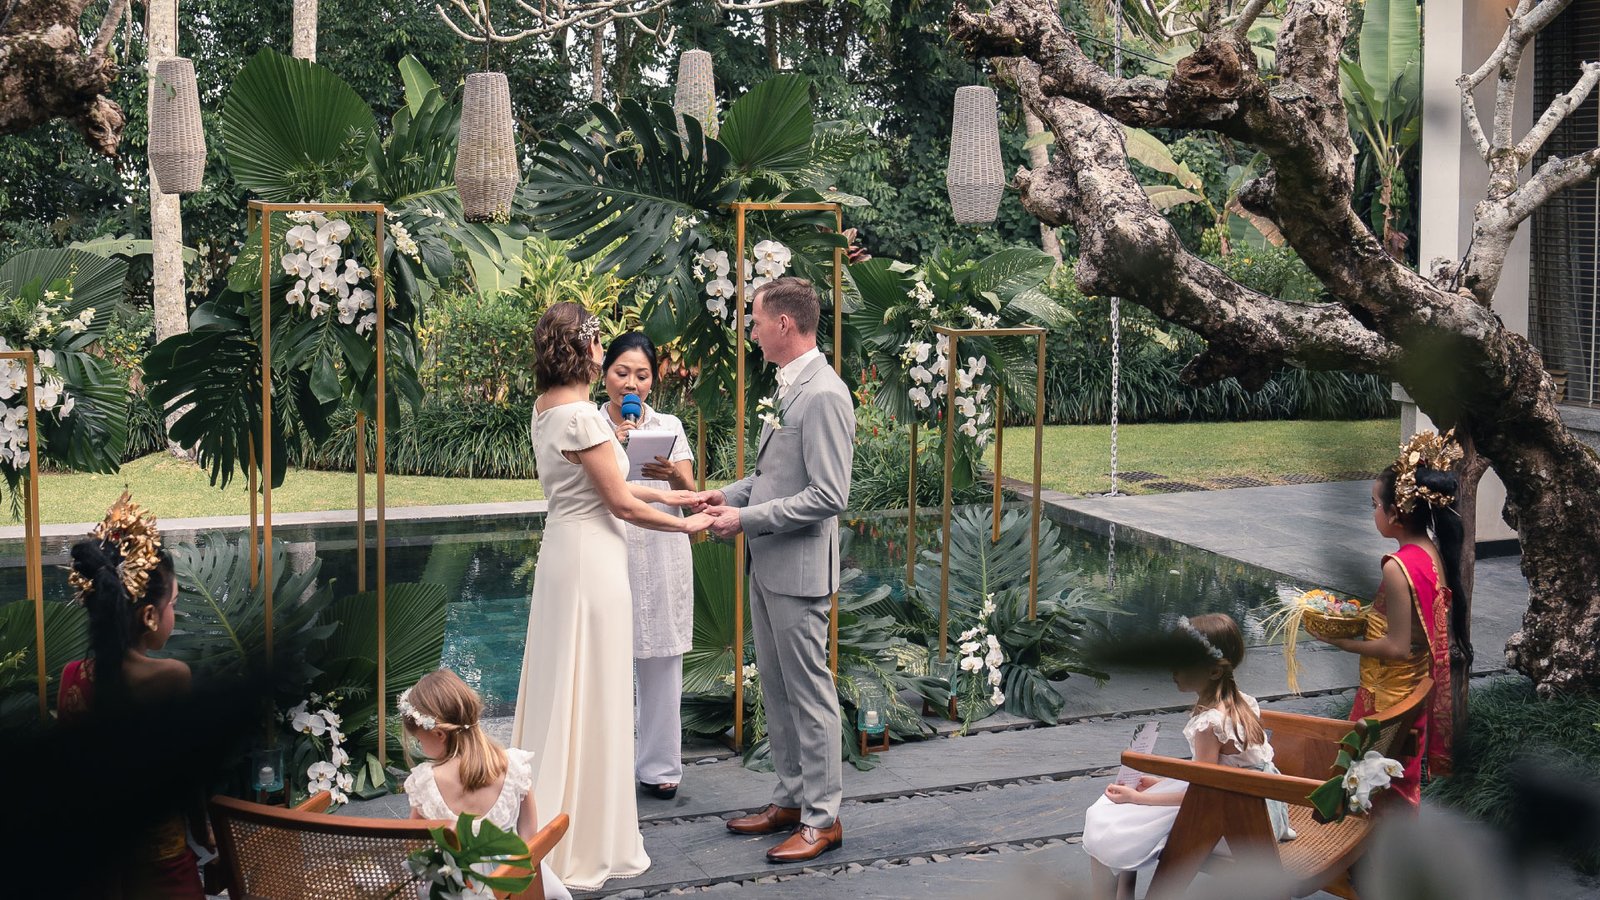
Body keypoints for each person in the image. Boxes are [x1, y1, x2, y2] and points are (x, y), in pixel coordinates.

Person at [510, 301, 712, 892]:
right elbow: (621, 503)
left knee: (564, 683)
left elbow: (611, 486)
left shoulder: (547, 408)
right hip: (593, 560)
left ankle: (547, 811)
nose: (605, 356)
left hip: (562, 553)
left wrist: (682, 497)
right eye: (599, 344)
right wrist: (689, 527)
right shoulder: (584, 418)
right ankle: (585, 832)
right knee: (594, 686)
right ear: (587, 349)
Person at [697, 276, 856, 864]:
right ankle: (791, 799)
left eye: (757, 320)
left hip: (800, 570)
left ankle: (823, 818)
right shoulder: (789, 386)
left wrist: (745, 519)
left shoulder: (825, 394)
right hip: (768, 565)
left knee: (810, 695)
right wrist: (728, 496)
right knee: (777, 689)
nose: (753, 330)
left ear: (784, 324)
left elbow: (829, 495)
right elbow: (775, 477)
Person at [1081, 613, 1295, 900]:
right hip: (1261, 809)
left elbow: (1201, 793)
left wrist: (1140, 798)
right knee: (1124, 811)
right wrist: (1158, 783)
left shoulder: (1209, 724)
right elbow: (1217, 774)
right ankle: (1123, 892)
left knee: (1106, 817)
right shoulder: (1241, 700)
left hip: (1236, 827)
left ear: (1214, 671)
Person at [60, 491, 204, 899]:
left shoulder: (72, 677)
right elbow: (187, 776)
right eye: (173, 603)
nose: (174, 613)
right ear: (150, 615)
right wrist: (204, 830)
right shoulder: (171, 678)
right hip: (161, 872)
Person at [1316, 428, 1461, 805]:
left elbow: (1397, 646)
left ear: (1395, 513)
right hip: (1412, 689)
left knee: (1370, 783)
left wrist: (1341, 642)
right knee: (1395, 781)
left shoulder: (1398, 567)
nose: (1373, 513)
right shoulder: (1431, 552)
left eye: (1374, 505)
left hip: (1388, 695)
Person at [599, 332, 696, 801]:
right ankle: (607, 767)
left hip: (661, 552)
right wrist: (615, 445)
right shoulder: (591, 425)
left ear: (653, 381)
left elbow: (690, 490)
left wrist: (673, 473)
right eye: (622, 373)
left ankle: (659, 768)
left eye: (641, 375)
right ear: (604, 375)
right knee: (606, 664)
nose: (631, 384)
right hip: (611, 548)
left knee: (662, 663)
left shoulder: (668, 425)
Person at [402, 669, 571, 900]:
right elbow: (530, 840)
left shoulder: (426, 783)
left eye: (419, 740)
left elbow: (414, 847)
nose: (420, 747)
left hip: (457, 890)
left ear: (440, 734)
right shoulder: (514, 767)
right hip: (515, 887)